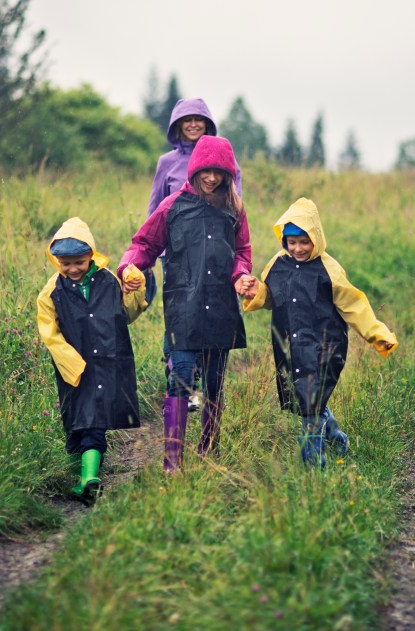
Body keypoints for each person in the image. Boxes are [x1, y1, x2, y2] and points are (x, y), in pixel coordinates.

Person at [119, 135, 254, 473]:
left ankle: (209, 451)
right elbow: (143, 245)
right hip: (183, 307)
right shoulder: (172, 206)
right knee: (179, 377)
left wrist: (241, 276)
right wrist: (130, 267)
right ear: (195, 169)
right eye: (206, 171)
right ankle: (172, 461)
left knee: (214, 383)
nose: (212, 178)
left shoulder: (234, 209)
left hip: (222, 307)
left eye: (219, 173)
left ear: (228, 174)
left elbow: (242, 253)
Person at [242, 197, 398, 468]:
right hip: (290, 346)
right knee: (305, 399)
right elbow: (271, 296)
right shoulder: (278, 263)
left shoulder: (329, 269)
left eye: (305, 242)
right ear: (284, 241)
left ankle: (315, 470)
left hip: (325, 346)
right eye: (292, 242)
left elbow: (354, 305)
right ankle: (336, 437)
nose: (298, 248)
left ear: (316, 238)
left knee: (310, 405)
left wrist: (376, 334)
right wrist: (257, 291)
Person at [37, 217, 147, 505]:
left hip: (109, 361)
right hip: (75, 367)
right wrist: (70, 361)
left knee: (94, 421)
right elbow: (49, 332)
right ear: (56, 260)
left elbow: (127, 314)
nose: (72, 269)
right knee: (78, 421)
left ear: (91, 257)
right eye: (65, 263)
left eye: (79, 262)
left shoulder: (110, 281)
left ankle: (88, 479)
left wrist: (135, 289)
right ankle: (83, 470)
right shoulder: (51, 292)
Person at [145, 98, 243, 413]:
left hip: (213, 257)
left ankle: (196, 384)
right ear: (176, 125)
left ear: (207, 124)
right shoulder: (166, 162)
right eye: (186, 121)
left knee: (209, 319)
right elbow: (156, 209)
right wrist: (153, 253)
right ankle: (179, 381)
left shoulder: (226, 162)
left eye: (198, 120)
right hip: (177, 254)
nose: (192, 125)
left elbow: (232, 204)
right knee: (180, 318)